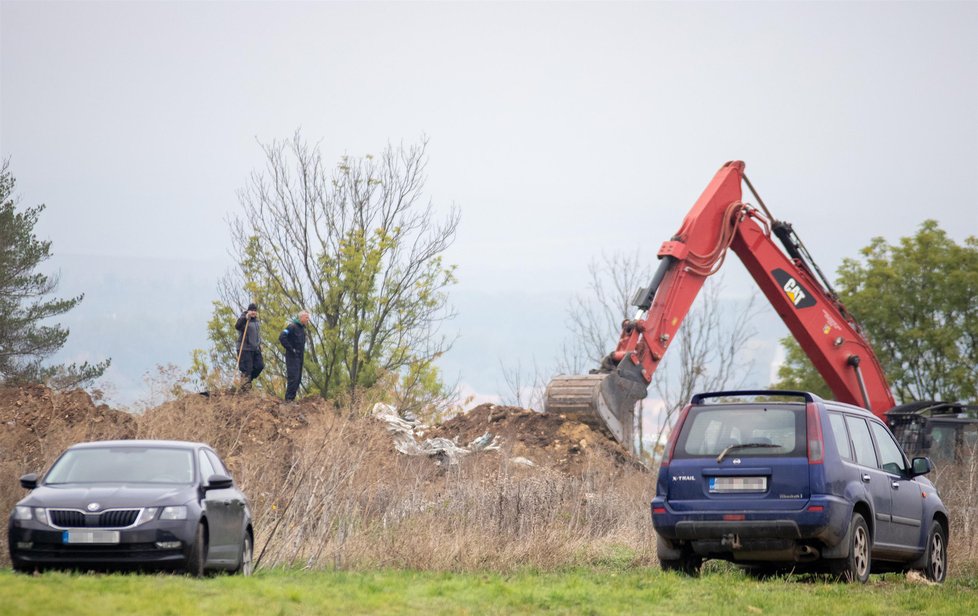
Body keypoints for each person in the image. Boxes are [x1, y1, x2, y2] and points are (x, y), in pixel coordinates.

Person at [279, 310, 310, 401]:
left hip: (300, 356)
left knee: (298, 378)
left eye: (308, 317)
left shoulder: (302, 329)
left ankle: (292, 398)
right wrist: (291, 349)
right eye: (306, 317)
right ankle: (288, 399)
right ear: (301, 318)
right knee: (293, 377)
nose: (308, 319)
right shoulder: (292, 326)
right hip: (292, 356)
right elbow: (282, 337)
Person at [235, 302, 264, 390]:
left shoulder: (256, 321)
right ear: (248, 310)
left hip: (255, 349)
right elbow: (237, 326)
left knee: (260, 366)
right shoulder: (244, 318)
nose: (253, 312)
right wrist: (246, 317)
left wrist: (260, 344)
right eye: (251, 310)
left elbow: (258, 334)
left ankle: (246, 382)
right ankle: (245, 389)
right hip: (245, 349)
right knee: (246, 370)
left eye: (255, 311)